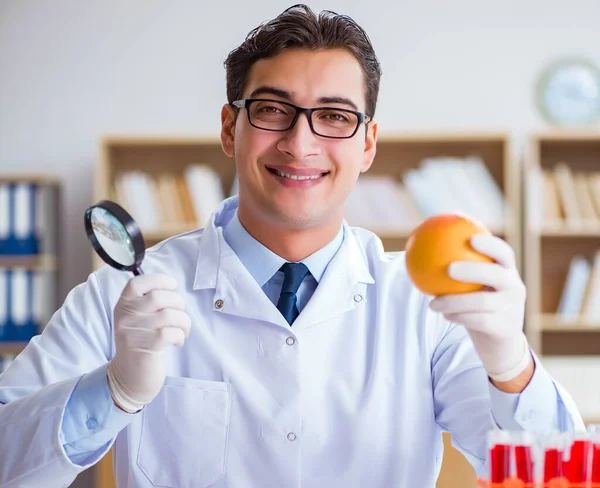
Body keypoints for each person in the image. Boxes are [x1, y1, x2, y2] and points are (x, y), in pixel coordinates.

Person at [0, 4, 584, 488]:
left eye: (333, 116)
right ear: (231, 129)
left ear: (368, 145)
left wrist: (511, 369)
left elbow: (555, 481)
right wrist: (116, 389)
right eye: (273, 111)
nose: (300, 142)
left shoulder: (427, 306)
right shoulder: (122, 295)